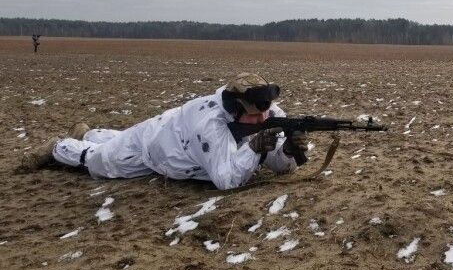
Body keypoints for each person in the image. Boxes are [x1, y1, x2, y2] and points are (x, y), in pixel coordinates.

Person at [20, 73, 309, 190]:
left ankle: (87, 132)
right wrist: (254, 148)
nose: (263, 120)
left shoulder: (268, 114)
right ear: (236, 109)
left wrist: (287, 151)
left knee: (118, 141)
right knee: (99, 162)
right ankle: (58, 147)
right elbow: (226, 179)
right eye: (255, 115)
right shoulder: (209, 125)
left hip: (173, 140)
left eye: (265, 114)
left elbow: (276, 163)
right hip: (155, 146)